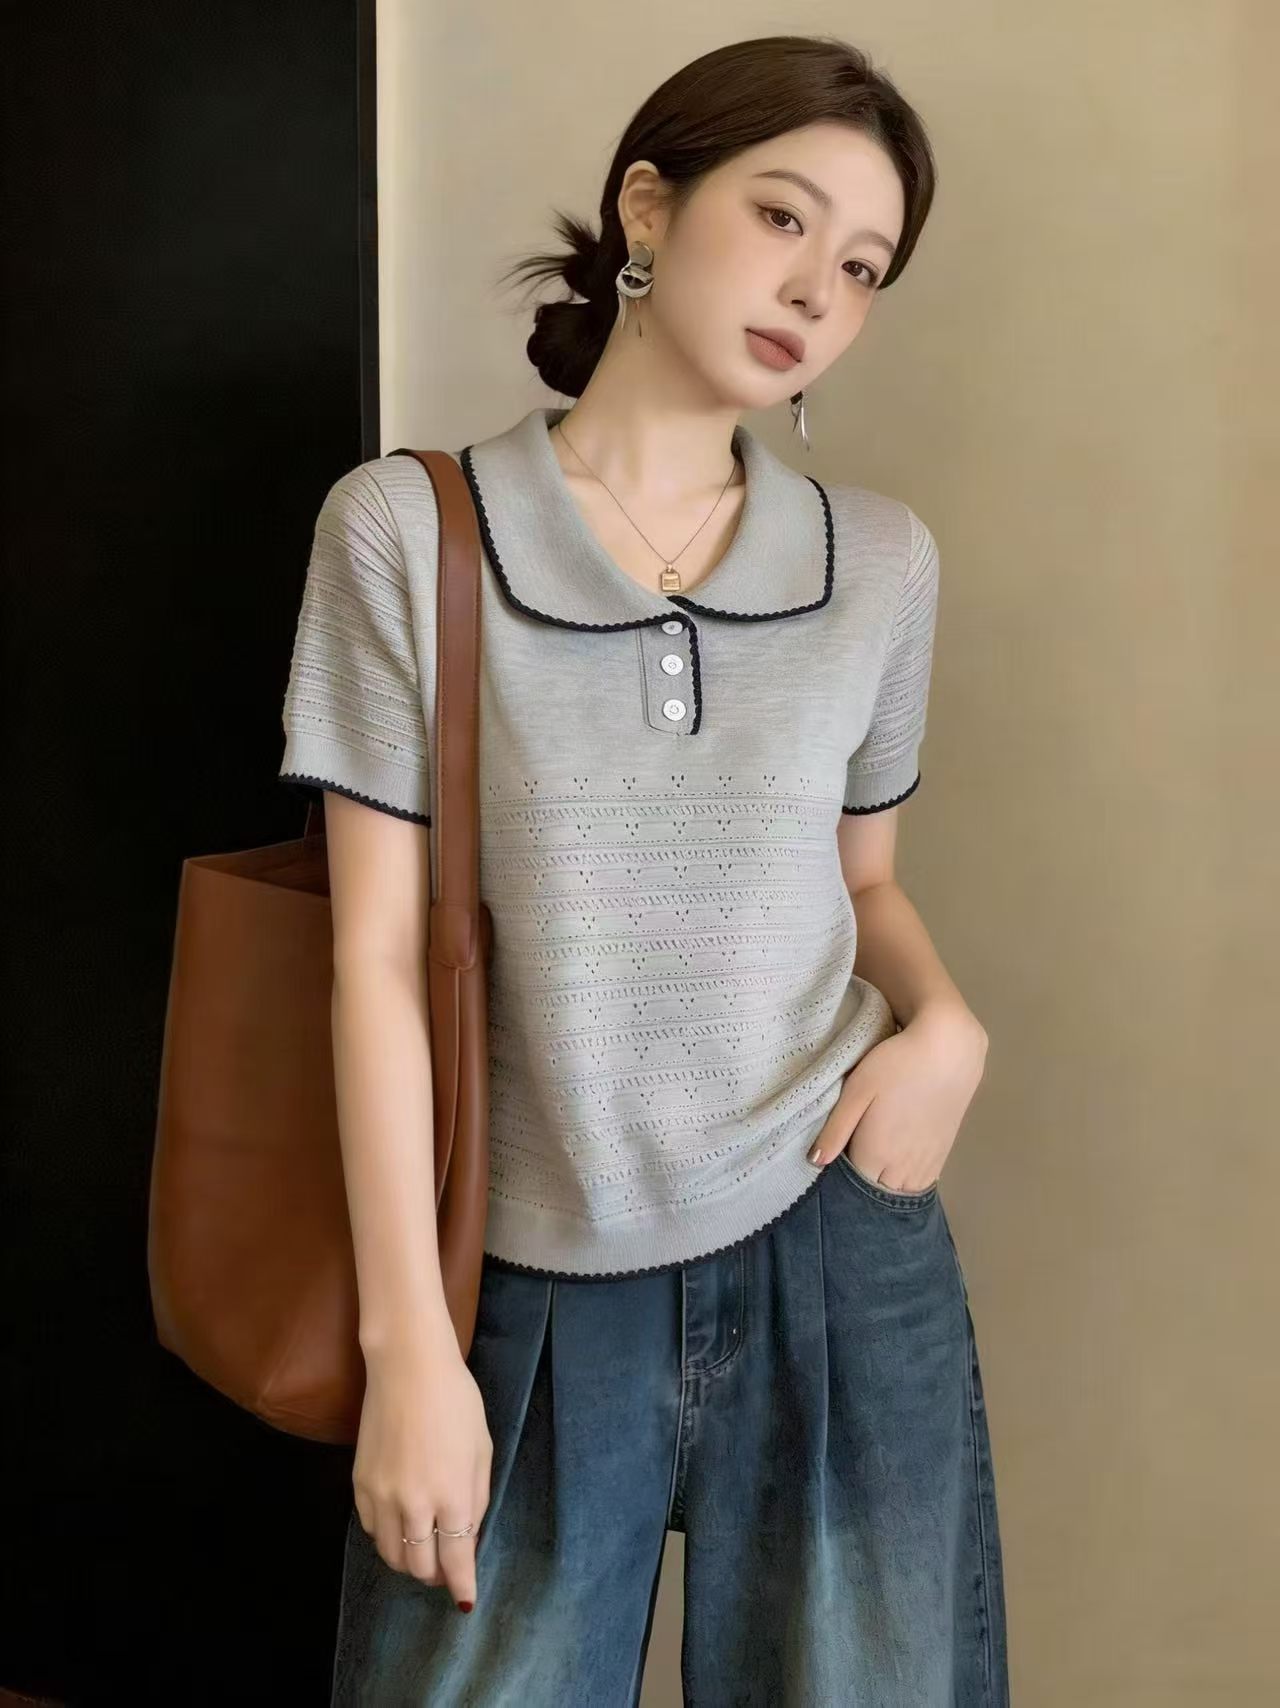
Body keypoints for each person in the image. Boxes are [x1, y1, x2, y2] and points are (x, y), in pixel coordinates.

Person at [278, 32, 1010, 1708]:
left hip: (837, 1242)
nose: (817, 287)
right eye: (784, 217)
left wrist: (950, 1028)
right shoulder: (406, 531)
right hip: (530, 1274)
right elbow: (374, 961)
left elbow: (865, 889)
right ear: (648, 207)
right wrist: (408, 1351)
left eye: (863, 266)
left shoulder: (881, 565)